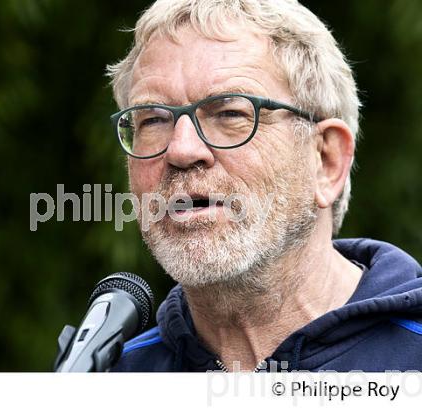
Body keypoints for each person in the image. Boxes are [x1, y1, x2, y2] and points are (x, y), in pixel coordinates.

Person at [107, 0, 422, 372]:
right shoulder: (113, 381)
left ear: (326, 161)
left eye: (230, 114)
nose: (181, 149)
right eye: (152, 120)